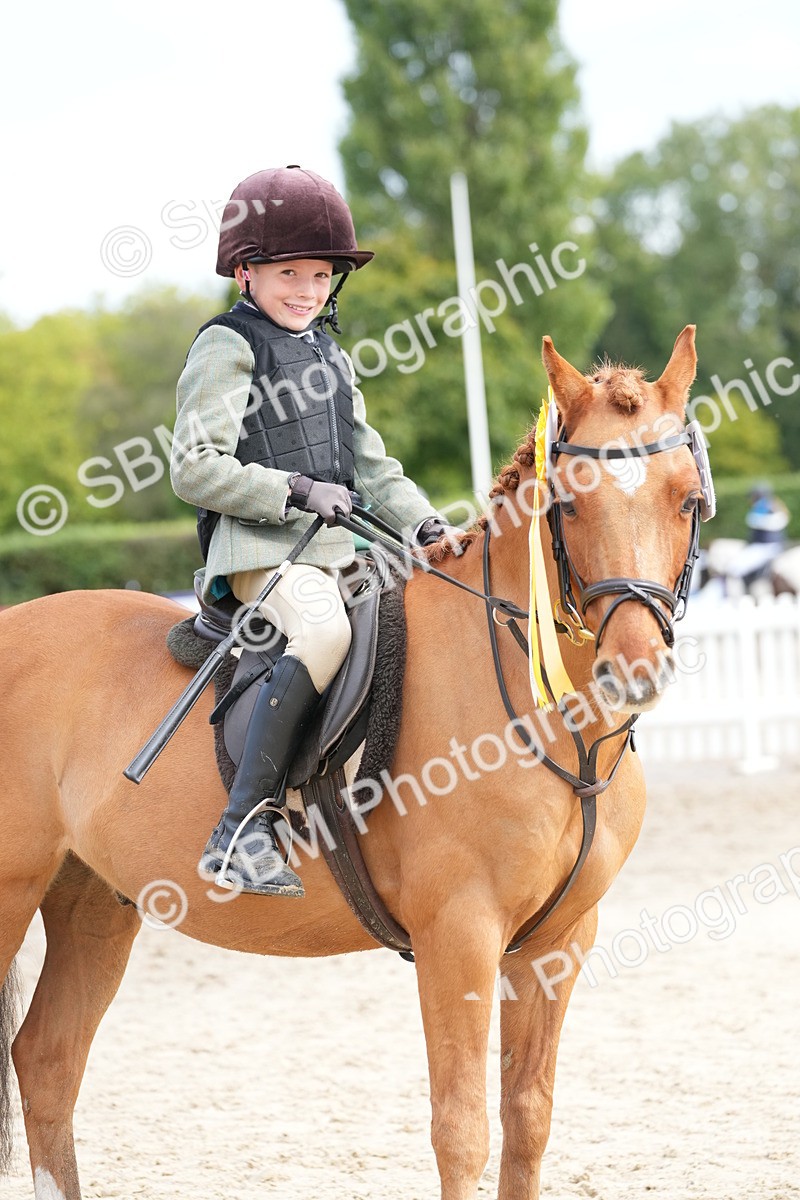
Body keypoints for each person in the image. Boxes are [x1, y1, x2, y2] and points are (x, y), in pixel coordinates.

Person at [170, 166, 452, 898]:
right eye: (289, 273)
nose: (307, 290)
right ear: (247, 272)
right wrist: (293, 489)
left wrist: (424, 520)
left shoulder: (331, 354)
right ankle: (241, 829)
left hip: (337, 552)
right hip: (258, 555)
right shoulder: (227, 345)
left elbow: (371, 464)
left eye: (321, 275)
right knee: (323, 630)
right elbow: (193, 467)